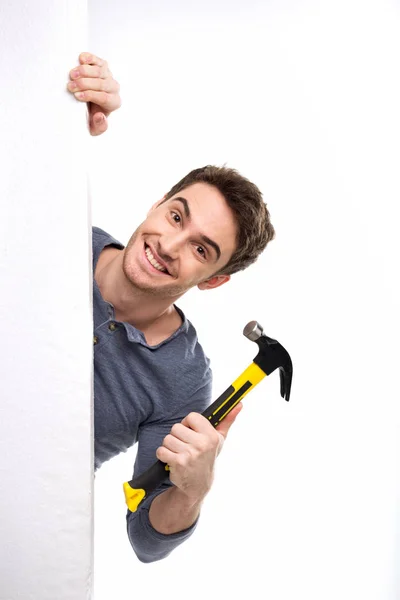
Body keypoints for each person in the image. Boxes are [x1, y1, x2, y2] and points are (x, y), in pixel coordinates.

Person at [67, 52, 276, 563]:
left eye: (202, 249)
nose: (170, 244)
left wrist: (192, 488)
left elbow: (145, 538)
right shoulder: (60, 230)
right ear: (159, 202)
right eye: (176, 215)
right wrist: (67, 120)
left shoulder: (182, 381)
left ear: (217, 279)